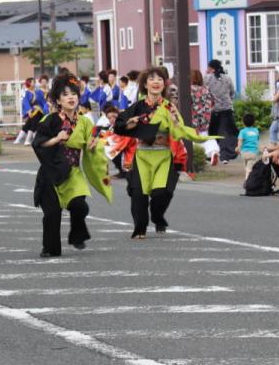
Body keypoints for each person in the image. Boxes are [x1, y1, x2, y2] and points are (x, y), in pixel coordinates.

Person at [115, 66, 204, 239]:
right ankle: (140, 228)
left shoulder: (169, 107)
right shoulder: (137, 107)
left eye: (160, 79)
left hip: (163, 155)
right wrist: (130, 123)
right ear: (145, 84)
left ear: (164, 84)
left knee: (161, 193)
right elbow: (119, 125)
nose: (156, 82)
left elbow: (180, 131)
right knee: (139, 194)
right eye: (152, 79)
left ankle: (157, 216)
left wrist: (175, 124)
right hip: (142, 155)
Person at [31, 74, 111, 257]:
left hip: (73, 172)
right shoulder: (49, 120)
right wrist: (56, 139)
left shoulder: (85, 121)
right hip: (51, 172)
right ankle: (49, 247)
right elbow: (38, 143)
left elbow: (94, 141)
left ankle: (77, 235)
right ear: (58, 99)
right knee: (52, 214)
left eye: (73, 93)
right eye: (65, 94)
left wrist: (93, 146)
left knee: (80, 206)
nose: (70, 97)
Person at [204, 59, 238, 162]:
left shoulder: (207, 79)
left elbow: (204, 92)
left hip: (213, 110)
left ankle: (212, 153)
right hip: (226, 109)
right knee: (225, 133)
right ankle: (226, 156)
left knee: (212, 133)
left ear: (211, 68)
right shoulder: (227, 78)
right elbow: (232, 92)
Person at [188, 68, 219, 165]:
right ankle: (213, 151)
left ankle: (197, 157)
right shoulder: (206, 89)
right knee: (204, 135)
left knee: (192, 137)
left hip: (192, 116)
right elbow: (213, 102)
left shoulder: (188, 89)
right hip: (205, 116)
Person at [17, 78, 43, 145]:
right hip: (32, 111)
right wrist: (29, 109)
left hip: (40, 111)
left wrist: (43, 108)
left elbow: (43, 101)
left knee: (31, 125)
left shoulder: (38, 91)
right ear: (29, 83)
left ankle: (21, 139)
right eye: (32, 82)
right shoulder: (26, 92)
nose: (34, 83)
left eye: (34, 82)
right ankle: (27, 140)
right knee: (32, 124)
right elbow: (25, 102)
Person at [236, 112, 260, 180]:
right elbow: (257, 140)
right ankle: (247, 181)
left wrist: (238, 148)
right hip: (253, 153)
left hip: (244, 153)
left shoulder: (242, 131)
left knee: (246, 167)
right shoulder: (256, 130)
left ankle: (247, 180)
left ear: (243, 122)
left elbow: (240, 141)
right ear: (254, 122)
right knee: (249, 169)